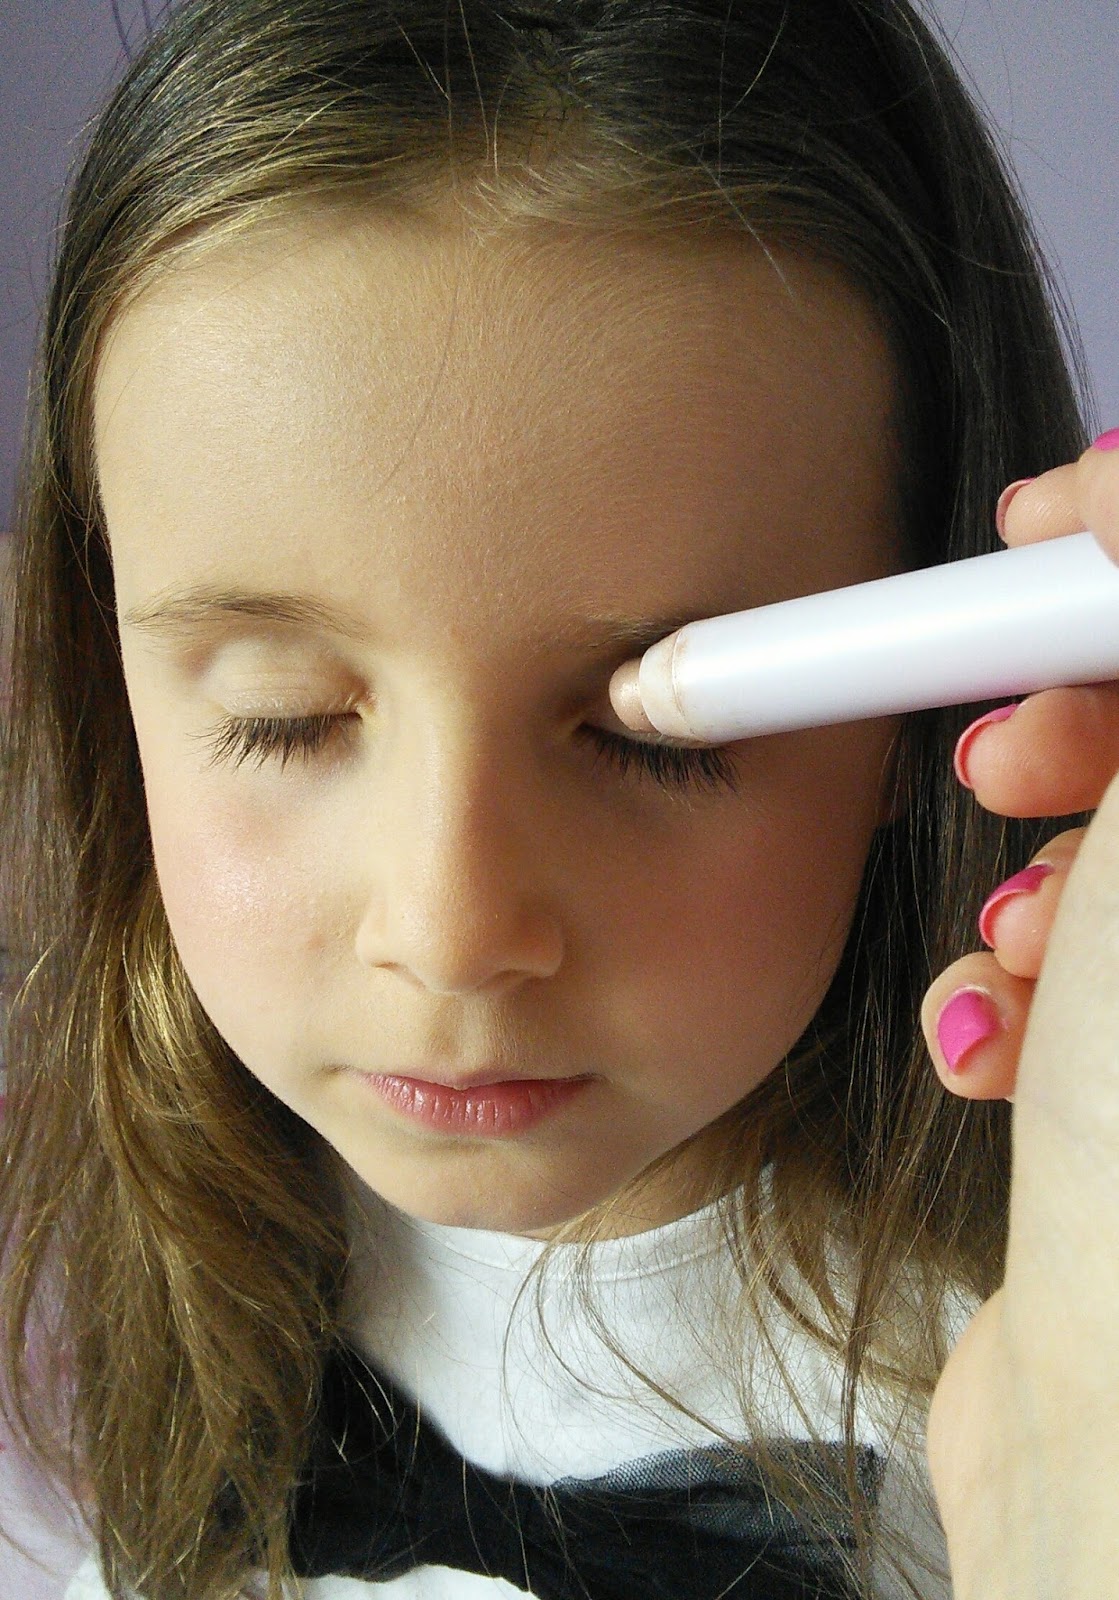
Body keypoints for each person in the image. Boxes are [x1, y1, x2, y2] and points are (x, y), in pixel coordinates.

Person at [0, 2, 1115, 1597]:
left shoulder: (1050, 1387)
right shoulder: (73, 1291)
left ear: (925, 709)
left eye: (649, 741)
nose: (451, 932)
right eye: (283, 719)